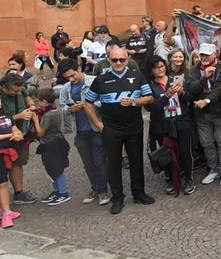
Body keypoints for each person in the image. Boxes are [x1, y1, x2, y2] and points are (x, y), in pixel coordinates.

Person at [82, 45, 155, 215]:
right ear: (109, 60)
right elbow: (87, 103)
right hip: (111, 128)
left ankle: (139, 193)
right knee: (113, 164)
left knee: (136, 161)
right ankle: (117, 198)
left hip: (134, 126)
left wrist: (135, 102)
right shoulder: (100, 79)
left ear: (127, 60)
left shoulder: (137, 76)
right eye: (114, 60)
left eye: (122, 59)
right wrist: (98, 125)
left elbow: (150, 97)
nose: (118, 62)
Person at [58, 59, 108, 206]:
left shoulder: (94, 81)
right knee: (88, 163)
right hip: (79, 130)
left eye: (73, 75)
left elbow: (104, 100)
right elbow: (62, 107)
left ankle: (102, 190)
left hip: (95, 127)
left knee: (99, 161)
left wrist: (86, 105)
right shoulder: (66, 88)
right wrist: (70, 109)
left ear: (79, 68)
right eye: (67, 77)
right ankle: (96, 188)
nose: (71, 79)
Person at [145, 55, 194, 195]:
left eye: (161, 66)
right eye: (156, 67)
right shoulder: (149, 86)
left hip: (181, 121)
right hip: (163, 124)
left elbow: (190, 98)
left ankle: (188, 179)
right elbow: (151, 108)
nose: (160, 69)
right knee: (167, 153)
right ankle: (171, 178)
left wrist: (182, 92)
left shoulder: (175, 80)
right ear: (151, 70)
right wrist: (167, 95)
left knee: (185, 151)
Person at [186, 43, 221, 186]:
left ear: (215, 54)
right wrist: (204, 77)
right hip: (201, 114)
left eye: (207, 54)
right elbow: (192, 88)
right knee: (207, 143)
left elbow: (220, 88)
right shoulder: (193, 69)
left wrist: (206, 100)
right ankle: (213, 169)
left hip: (220, 112)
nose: (204, 57)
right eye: (202, 55)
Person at [1, 73, 37, 205]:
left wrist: (32, 106)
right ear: (4, 87)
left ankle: (19, 193)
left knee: (18, 163)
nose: (17, 93)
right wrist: (19, 116)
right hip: (5, 136)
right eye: (14, 91)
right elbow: (2, 120)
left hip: (21, 134)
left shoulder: (20, 89)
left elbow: (27, 99)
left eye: (19, 90)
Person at [31, 88, 71, 205]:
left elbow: (40, 133)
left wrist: (35, 120)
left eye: (38, 101)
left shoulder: (48, 115)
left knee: (56, 169)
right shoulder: (54, 110)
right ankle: (57, 191)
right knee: (51, 169)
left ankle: (63, 192)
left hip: (51, 144)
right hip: (56, 141)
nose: (37, 103)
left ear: (44, 101)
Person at [0, 104, 24, 228]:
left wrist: (18, 134)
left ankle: (5, 210)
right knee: (2, 184)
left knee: (3, 182)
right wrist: (10, 135)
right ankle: (6, 213)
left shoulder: (7, 115)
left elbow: (15, 129)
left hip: (7, 152)